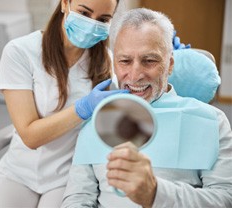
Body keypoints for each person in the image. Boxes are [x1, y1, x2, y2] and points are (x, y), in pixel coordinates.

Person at [62, 8, 232, 208]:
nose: (135, 76)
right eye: (125, 61)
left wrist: (156, 193)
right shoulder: (95, 121)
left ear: (169, 64)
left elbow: (225, 199)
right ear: (114, 63)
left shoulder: (211, 121)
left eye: (149, 60)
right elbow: (77, 198)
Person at [0, 0, 130, 207]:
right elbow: (30, 136)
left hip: (67, 177)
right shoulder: (21, 52)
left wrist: (169, 57)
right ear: (65, 4)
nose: (91, 24)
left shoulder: (107, 62)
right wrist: (83, 108)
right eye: (84, 13)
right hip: (18, 171)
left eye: (103, 19)